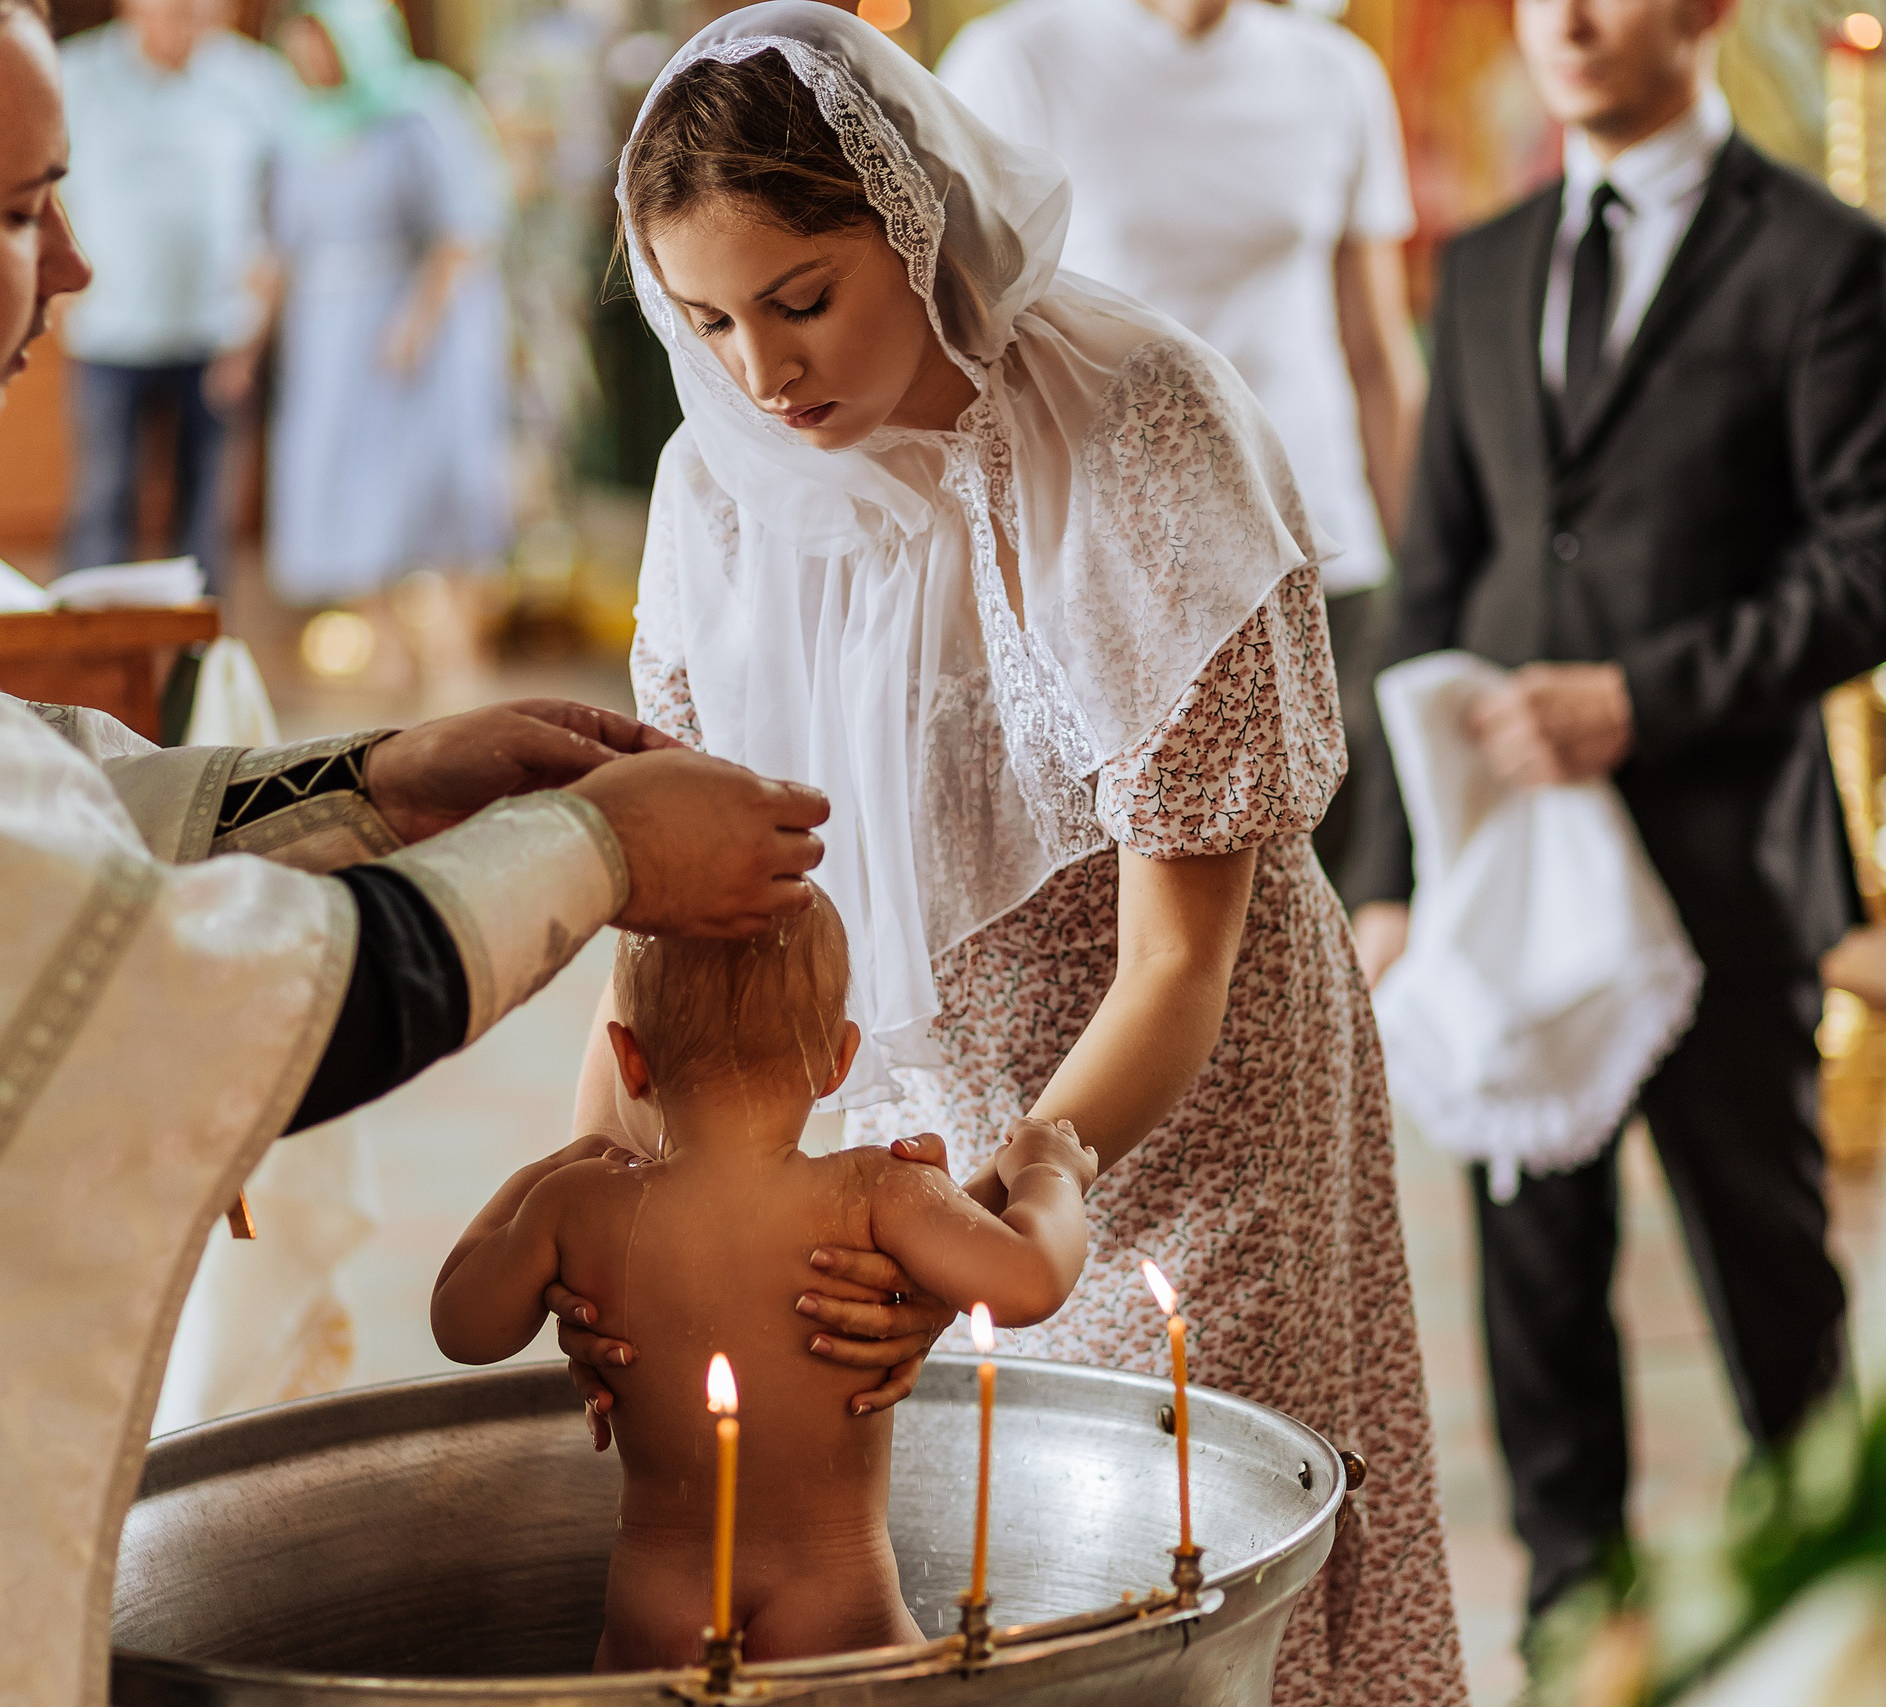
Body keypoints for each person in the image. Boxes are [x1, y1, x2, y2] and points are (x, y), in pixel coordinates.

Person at [0, 3, 834, 1699]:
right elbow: (128, 1010)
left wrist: (372, 775)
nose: (81, 267)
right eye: (26, 210)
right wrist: (586, 853)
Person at [551, 10, 1470, 1703]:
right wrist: (606, 1188)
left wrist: (1004, 1205)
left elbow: (1184, 956)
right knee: (952, 1586)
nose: (763, 373)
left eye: (803, 298)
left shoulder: (1132, 431)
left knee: (1191, 1572)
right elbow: (681, 899)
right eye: (705, 321)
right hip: (909, 1136)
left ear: (914, 226)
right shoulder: (719, 486)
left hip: (1188, 1112)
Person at [1343, 0, 1886, 1632]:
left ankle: (1843, 1601)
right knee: (1535, 1281)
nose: (1565, 19)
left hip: (1722, 878)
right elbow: (1443, 582)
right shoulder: (1480, 265)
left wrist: (1641, 695)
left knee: (1770, 1281)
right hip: (1504, 886)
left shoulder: (1823, 261)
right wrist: (1394, 873)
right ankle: (1572, 1615)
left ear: (1701, 13)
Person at [432, 888, 1095, 1669]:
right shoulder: (876, 1190)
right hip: (840, 1608)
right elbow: (1031, 1279)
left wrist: (546, 1177)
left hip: (658, 1616)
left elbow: (461, 1324)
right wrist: (1049, 1171)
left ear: (628, 1057)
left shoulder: (580, 1205)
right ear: (839, 1059)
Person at [938, 0, 1426, 882]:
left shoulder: (1336, 74)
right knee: (1145, 901)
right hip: (1115, 573)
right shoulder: (1018, 61)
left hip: (1318, 549)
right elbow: (963, 353)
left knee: (1327, 885)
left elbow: (1379, 355)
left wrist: (1431, 578)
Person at [256, 0, 514, 694]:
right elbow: (283, 242)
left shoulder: (423, 107)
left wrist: (416, 321)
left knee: (429, 481)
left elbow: (467, 224)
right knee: (341, 479)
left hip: (411, 325)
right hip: (327, 333)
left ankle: (454, 653)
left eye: (322, 39)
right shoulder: (296, 124)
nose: (309, 56)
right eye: (298, 42)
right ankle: (386, 646)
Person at [56, 0, 295, 589]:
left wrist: (256, 324)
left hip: (218, 337)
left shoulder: (257, 80)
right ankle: (89, 666)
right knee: (104, 503)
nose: (185, 15)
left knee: (205, 519)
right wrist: (54, 293)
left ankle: (199, 666)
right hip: (108, 333)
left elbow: (287, 204)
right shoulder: (72, 75)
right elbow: (31, 181)